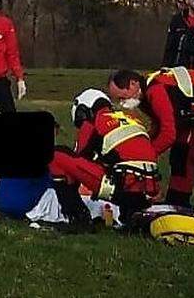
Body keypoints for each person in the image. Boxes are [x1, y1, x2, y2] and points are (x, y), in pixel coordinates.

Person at [109, 66, 194, 229]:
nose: (122, 103)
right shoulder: (145, 95)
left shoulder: (156, 90)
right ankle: (178, 201)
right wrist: (141, 147)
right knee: (181, 153)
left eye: (122, 97)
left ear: (133, 83)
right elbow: (160, 125)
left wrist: (146, 157)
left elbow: (168, 133)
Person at [48, 88, 160, 227]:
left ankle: (77, 218)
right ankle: (129, 216)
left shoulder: (93, 123)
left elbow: (78, 160)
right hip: (149, 188)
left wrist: (67, 190)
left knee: (58, 155)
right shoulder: (130, 119)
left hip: (123, 186)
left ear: (84, 110)